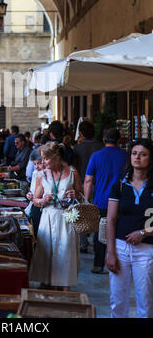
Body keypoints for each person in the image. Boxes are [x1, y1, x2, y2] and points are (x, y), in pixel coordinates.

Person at [107, 139, 153, 318]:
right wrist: (110, 253)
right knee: (117, 301)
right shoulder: (120, 184)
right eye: (134, 153)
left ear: (150, 158)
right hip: (120, 248)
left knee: (146, 300)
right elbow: (110, 219)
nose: (138, 158)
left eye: (143, 154)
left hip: (147, 249)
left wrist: (144, 232)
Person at [29, 142, 82, 290]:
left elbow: (81, 193)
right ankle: (46, 284)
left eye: (46, 159)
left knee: (65, 252)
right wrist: (43, 200)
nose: (43, 162)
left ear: (56, 157)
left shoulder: (72, 172)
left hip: (66, 218)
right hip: (48, 216)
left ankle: (65, 288)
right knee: (47, 252)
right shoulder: (42, 175)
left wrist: (75, 194)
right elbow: (35, 200)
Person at [84, 127, 128, 274]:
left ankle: (98, 264)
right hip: (122, 201)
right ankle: (120, 262)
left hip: (101, 200)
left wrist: (86, 200)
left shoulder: (96, 156)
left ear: (103, 140)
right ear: (119, 140)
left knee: (100, 232)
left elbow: (89, 180)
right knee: (120, 231)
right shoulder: (126, 156)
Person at [73, 120, 102, 253]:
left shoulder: (77, 148)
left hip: (82, 182)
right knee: (98, 213)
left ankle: (83, 244)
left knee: (82, 212)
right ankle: (99, 242)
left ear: (82, 133)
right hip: (98, 182)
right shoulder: (100, 146)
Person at [24, 151, 44, 237]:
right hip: (34, 205)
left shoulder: (47, 174)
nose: (36, 167)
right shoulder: (35, 173)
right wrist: (29, 194)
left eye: (39, 163)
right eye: (34, 164)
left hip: (42, 206)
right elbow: (32, 189)